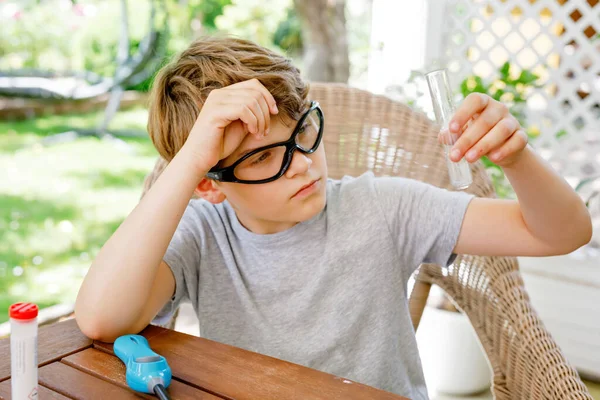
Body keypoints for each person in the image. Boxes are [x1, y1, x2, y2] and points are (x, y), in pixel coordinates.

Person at [74, 36, 592, 399]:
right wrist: (187, 161)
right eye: (261, 158)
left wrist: (516, 159)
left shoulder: (384, 207)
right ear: (208, 184)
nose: (302, 164)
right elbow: (101, 318)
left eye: (302, 133)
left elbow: (563, 233)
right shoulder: (203, 234)